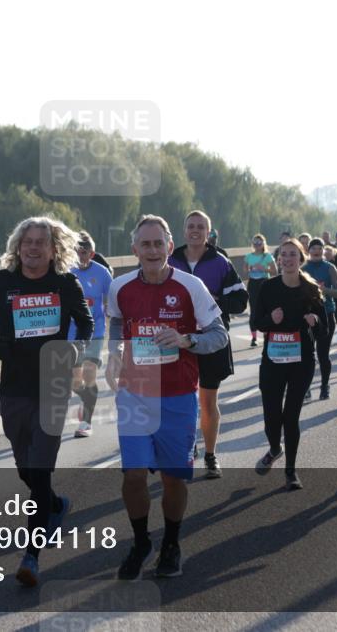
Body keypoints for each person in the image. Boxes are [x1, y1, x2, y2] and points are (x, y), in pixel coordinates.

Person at [106, 215, 228, 579]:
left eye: (159, 243)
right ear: (135, 250)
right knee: (133, 476)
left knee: (174, 480)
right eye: (146, 244)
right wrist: (113, 355)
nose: (153, 250)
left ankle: (171, 542)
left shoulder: (191, 287)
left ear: (169, 246)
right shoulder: (120, 287)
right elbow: (114, 321)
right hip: (134, 394)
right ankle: (141, 540)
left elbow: (219, 335)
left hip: (177, 396)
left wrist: (187, 340)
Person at [0, 216, 94, 587]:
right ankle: (56, 504)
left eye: (39, 243)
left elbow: (86, 321)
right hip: (14, 388)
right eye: (26, 241)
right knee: (25, 470)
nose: (32, 248)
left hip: (53, 386)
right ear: (18, 246)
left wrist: (76, 348)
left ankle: (32, 555)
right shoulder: (3, 281)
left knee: (40, 470)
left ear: (53, 248)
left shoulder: (64, 283)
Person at [169, 211, 248, 478]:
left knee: (208, 401)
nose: (195, 231)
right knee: (183, 400)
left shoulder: (220, 262)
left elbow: (240, 301)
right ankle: (188, 449)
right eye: (190, 226)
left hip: (211, 340)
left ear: (208, 232)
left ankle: (211, 456)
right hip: (177, 341)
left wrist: (212, 301)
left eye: (200, 227)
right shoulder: (171, 260)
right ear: (183, 231)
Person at [251, 239, 327, 490]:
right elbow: (256, 323)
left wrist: (315, 319)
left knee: (290, 416)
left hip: (302, 362)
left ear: (301, 258)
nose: (288, 259)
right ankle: (275, 448)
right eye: (284, 255)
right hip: (273, 361)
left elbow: (326, 329)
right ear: (279, 259)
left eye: (293, 254)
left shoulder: (311, 289)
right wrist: (270, 320)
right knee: (272, 416)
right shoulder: (268, 288)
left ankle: (291, 472)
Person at [69, 231, 113, 438]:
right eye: (76, 250)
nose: (79, 254)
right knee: (74, 382)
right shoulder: (66, 271)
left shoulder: (103, 273)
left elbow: (110, 303)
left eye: (84, 251)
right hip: (71, 333)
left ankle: (86, 422)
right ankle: (87, 399)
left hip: (95, 332)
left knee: (89, 373)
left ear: (92, 254)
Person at [303, 238, 337, 400]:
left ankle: (324, 386)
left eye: (319, 248)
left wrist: (324, 290)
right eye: (313, 248)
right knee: (307, 355)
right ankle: (306, 387)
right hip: (308, 316)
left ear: (323, 251)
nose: (316, 251)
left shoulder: (330, 268)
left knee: (323, 354)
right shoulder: (304, 269)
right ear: (309, 250)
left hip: (326, 314)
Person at [244, 235, 277, 347]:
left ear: (263, 243)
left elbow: (275, 271)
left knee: (266, 309)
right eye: (255, 242)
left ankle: (266, 334)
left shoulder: (267, 256)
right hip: (253, 283)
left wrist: (263, 269)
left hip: (264, 283)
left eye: (260, 242)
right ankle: (254, 338)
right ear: (252, 243)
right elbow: (244, 270)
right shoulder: (248, 256)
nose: (257, 244)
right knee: (253, 310)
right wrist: (251, 268)